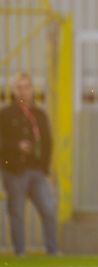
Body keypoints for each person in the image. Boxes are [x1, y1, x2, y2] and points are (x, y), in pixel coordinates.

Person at [0, 73, 58, 256]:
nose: (23, 91)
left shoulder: (39, 114)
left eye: (26, 87)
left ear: (33, 89)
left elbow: (47, 141)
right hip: (15, 170)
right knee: (17, 212)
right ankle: (20, 252)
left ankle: (53, 250)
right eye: (19, 87)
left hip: (37, 171)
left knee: (48, 209)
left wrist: (45, 167)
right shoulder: (6, 114)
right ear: (14, 91)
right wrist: (17, 146)